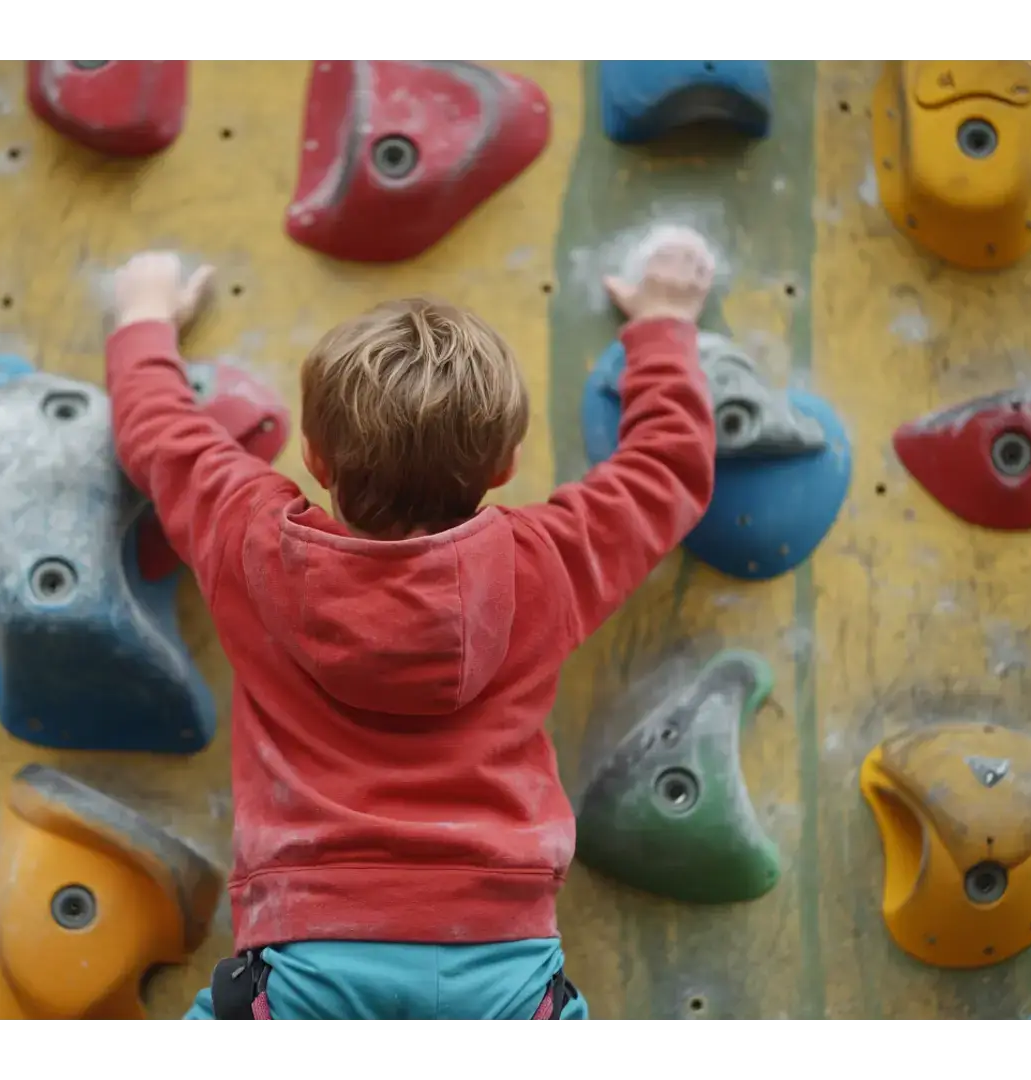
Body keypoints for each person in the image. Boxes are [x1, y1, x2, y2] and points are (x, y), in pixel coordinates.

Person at [104, 225, 718, 1023]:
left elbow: (158, 433)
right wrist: (665, 322)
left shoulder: (246, 539)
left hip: (306, 959)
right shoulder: (547, 563)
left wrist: (144, 316)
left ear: (318, 461)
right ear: (502, 468)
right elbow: (668, 468)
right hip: (502, 963)